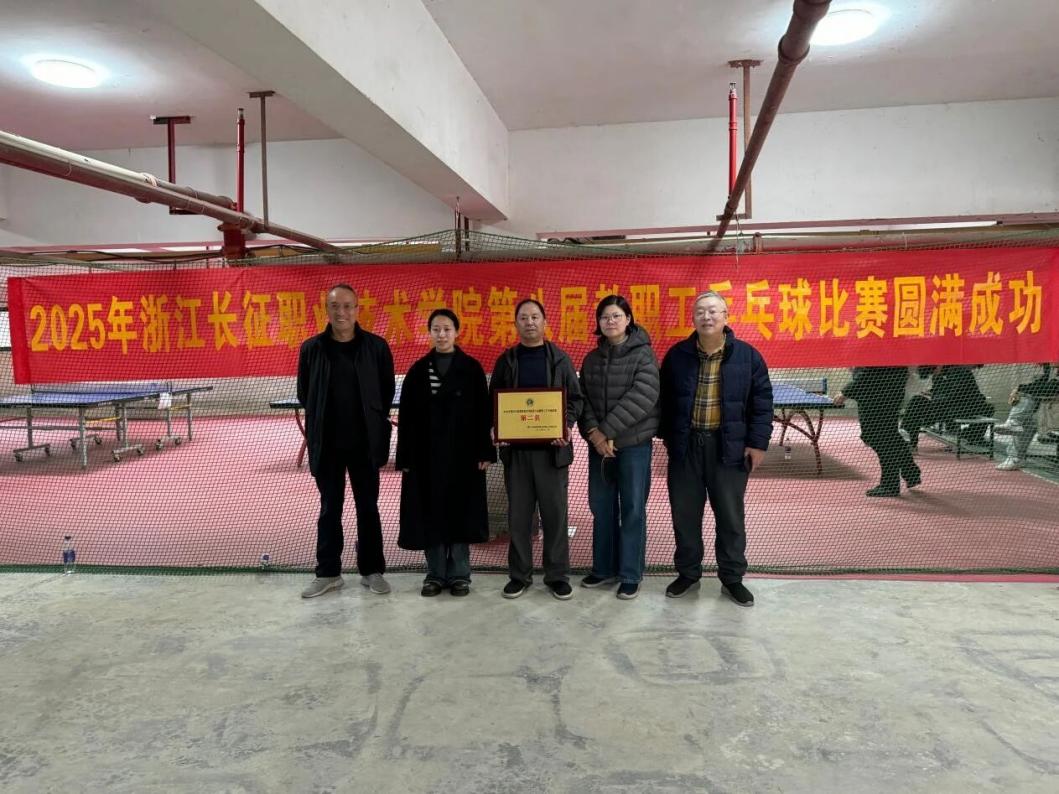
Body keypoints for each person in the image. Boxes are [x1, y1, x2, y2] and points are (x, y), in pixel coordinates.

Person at [658, 291, 773, 607]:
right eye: (700, 312)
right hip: (686, 449)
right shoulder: (677, 355)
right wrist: (669, 437)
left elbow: (763, 403)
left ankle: (732, 578)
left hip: (729, 450)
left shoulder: (748, 356)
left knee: (730, 517)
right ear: (693, 318)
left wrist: (757, 444)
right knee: (685, 515)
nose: (706, 317)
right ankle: (688, 573)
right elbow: (663, 400)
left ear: (726, 316)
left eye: (713, 311)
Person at [297, 284, 396, 599]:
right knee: (330, 508)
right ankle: (328, 573)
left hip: (365, 444)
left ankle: (372, 570)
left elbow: (386, 391)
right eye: (335, 306)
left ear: (357, 309)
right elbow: (305, 394)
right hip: (327, 445)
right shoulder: (311, 349)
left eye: (347, 306)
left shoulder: (376, 347)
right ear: (326, 309)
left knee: (368, 508)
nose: (341, 312)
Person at [396, 309, 496, 596]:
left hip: (463, 456)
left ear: (457, 332)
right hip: (426, 458)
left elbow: (483, 414)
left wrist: (485, 451)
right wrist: (405, 457)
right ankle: (435, 575)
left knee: (461, 513)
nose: (441, 334)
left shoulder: (472, 369)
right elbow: (407, 418)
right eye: (436, 329)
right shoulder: (417, 371)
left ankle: (460, 575)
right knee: (431, 513)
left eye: (447, 329)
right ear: (429, 333)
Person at [490, 298, 583, 600]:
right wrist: (496, 427)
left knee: (555, 516)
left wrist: (566, 425)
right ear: (515, 323)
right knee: (519, 518)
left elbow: (576, 399)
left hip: (552, 454)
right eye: (523, 318)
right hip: (517, 455)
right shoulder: (506, 361)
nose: (529, 322)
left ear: (544, 322)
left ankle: (557, 576)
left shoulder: (560, 360)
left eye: (534, 317)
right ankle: (519, 576)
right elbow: (494, 402)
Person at [577, 295, 660, 600]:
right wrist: (594, 435)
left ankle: (630, 574)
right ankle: (603, 568)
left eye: (616, 316)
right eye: (604, 317)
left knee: (633, 509)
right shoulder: (591, 359)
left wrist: (605, 431)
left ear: (628, 319)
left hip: (633, 445)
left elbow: (643, 397)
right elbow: (583, 400)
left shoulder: (644, 356)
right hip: (599, 448)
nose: (610, 321)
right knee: (601, 507)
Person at [833, 367, 921, 497]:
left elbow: (867, 376)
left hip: (877, 398)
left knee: (880, 440)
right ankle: (911, 472)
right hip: (889, 394)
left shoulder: (876, 361)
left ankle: (890, 485)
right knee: (890, 436)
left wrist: (844, 393)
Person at [901, 365, 994, 448]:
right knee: (917, 400)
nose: (934, 374)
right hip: (945, 407)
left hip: (960, 408)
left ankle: (911, 435)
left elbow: (955, 395)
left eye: (933, 371)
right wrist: (930, 392)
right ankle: (910, 434)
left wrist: (934, 398)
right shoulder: (938, 375)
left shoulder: (960, 372)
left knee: (918, 402)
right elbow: (939, 390)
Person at [995, 363, 1059, 471]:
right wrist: (1020, 389)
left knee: (1026, 394)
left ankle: (1014, 421)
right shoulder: (1050, 369)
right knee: (1025, 423)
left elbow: (1051, 389)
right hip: (1046, 412)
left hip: (1054, 416)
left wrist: (1021, 388)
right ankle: (1016, 458)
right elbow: (1042, 384)